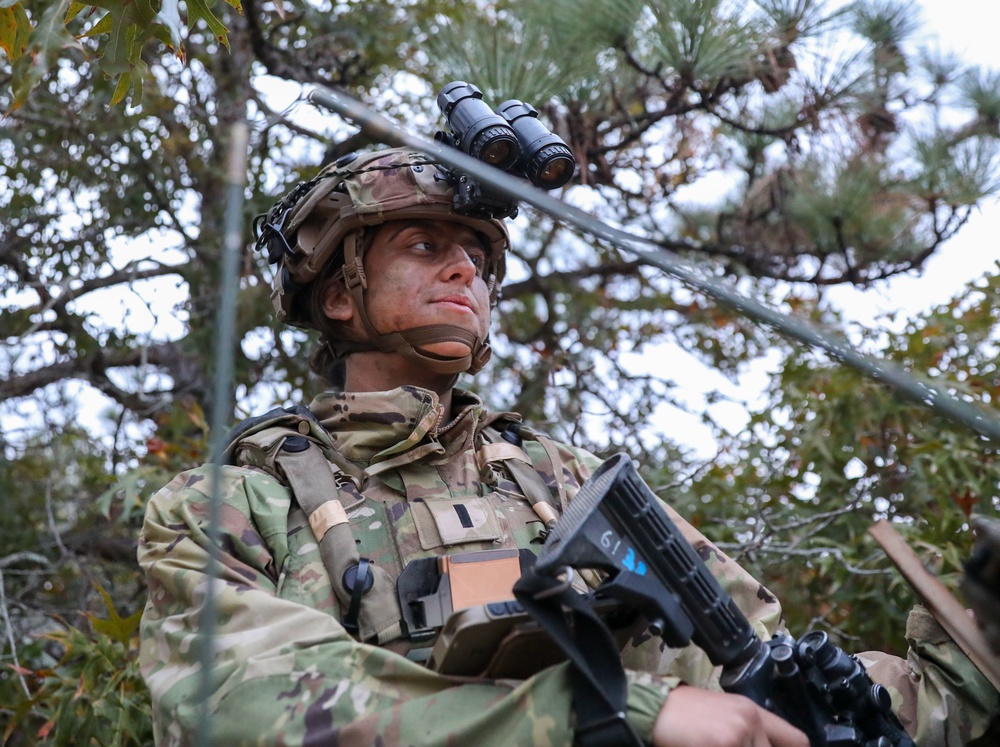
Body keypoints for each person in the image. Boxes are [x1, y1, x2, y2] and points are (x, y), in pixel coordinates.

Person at [137, 148, 998, 746]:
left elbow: (763, 675)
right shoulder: (233, 503)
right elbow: (243, 705)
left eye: (478, 254)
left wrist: (976, 649)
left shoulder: (568, 480)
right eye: (426, 245)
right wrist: (609, 710)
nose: (465, 272)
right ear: (338, 292)